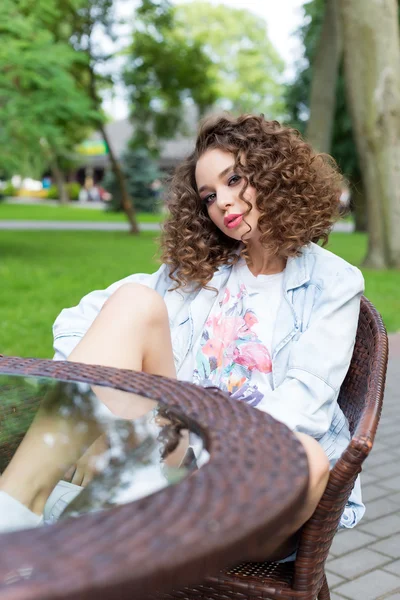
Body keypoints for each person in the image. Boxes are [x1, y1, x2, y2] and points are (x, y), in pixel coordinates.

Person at [0, 114, 364, 561]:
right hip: (174, 451)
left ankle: (113, 519)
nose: (223, 203)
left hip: (254, 479)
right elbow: (80, 320)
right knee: (135, 300)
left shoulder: (334, 282)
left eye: (235, 179)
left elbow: (308, 399)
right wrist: (99, 400)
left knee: (306, 456)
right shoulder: (201, 268)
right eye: (210, 195)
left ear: (275, 175)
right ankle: (15, 506)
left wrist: (216, 451)